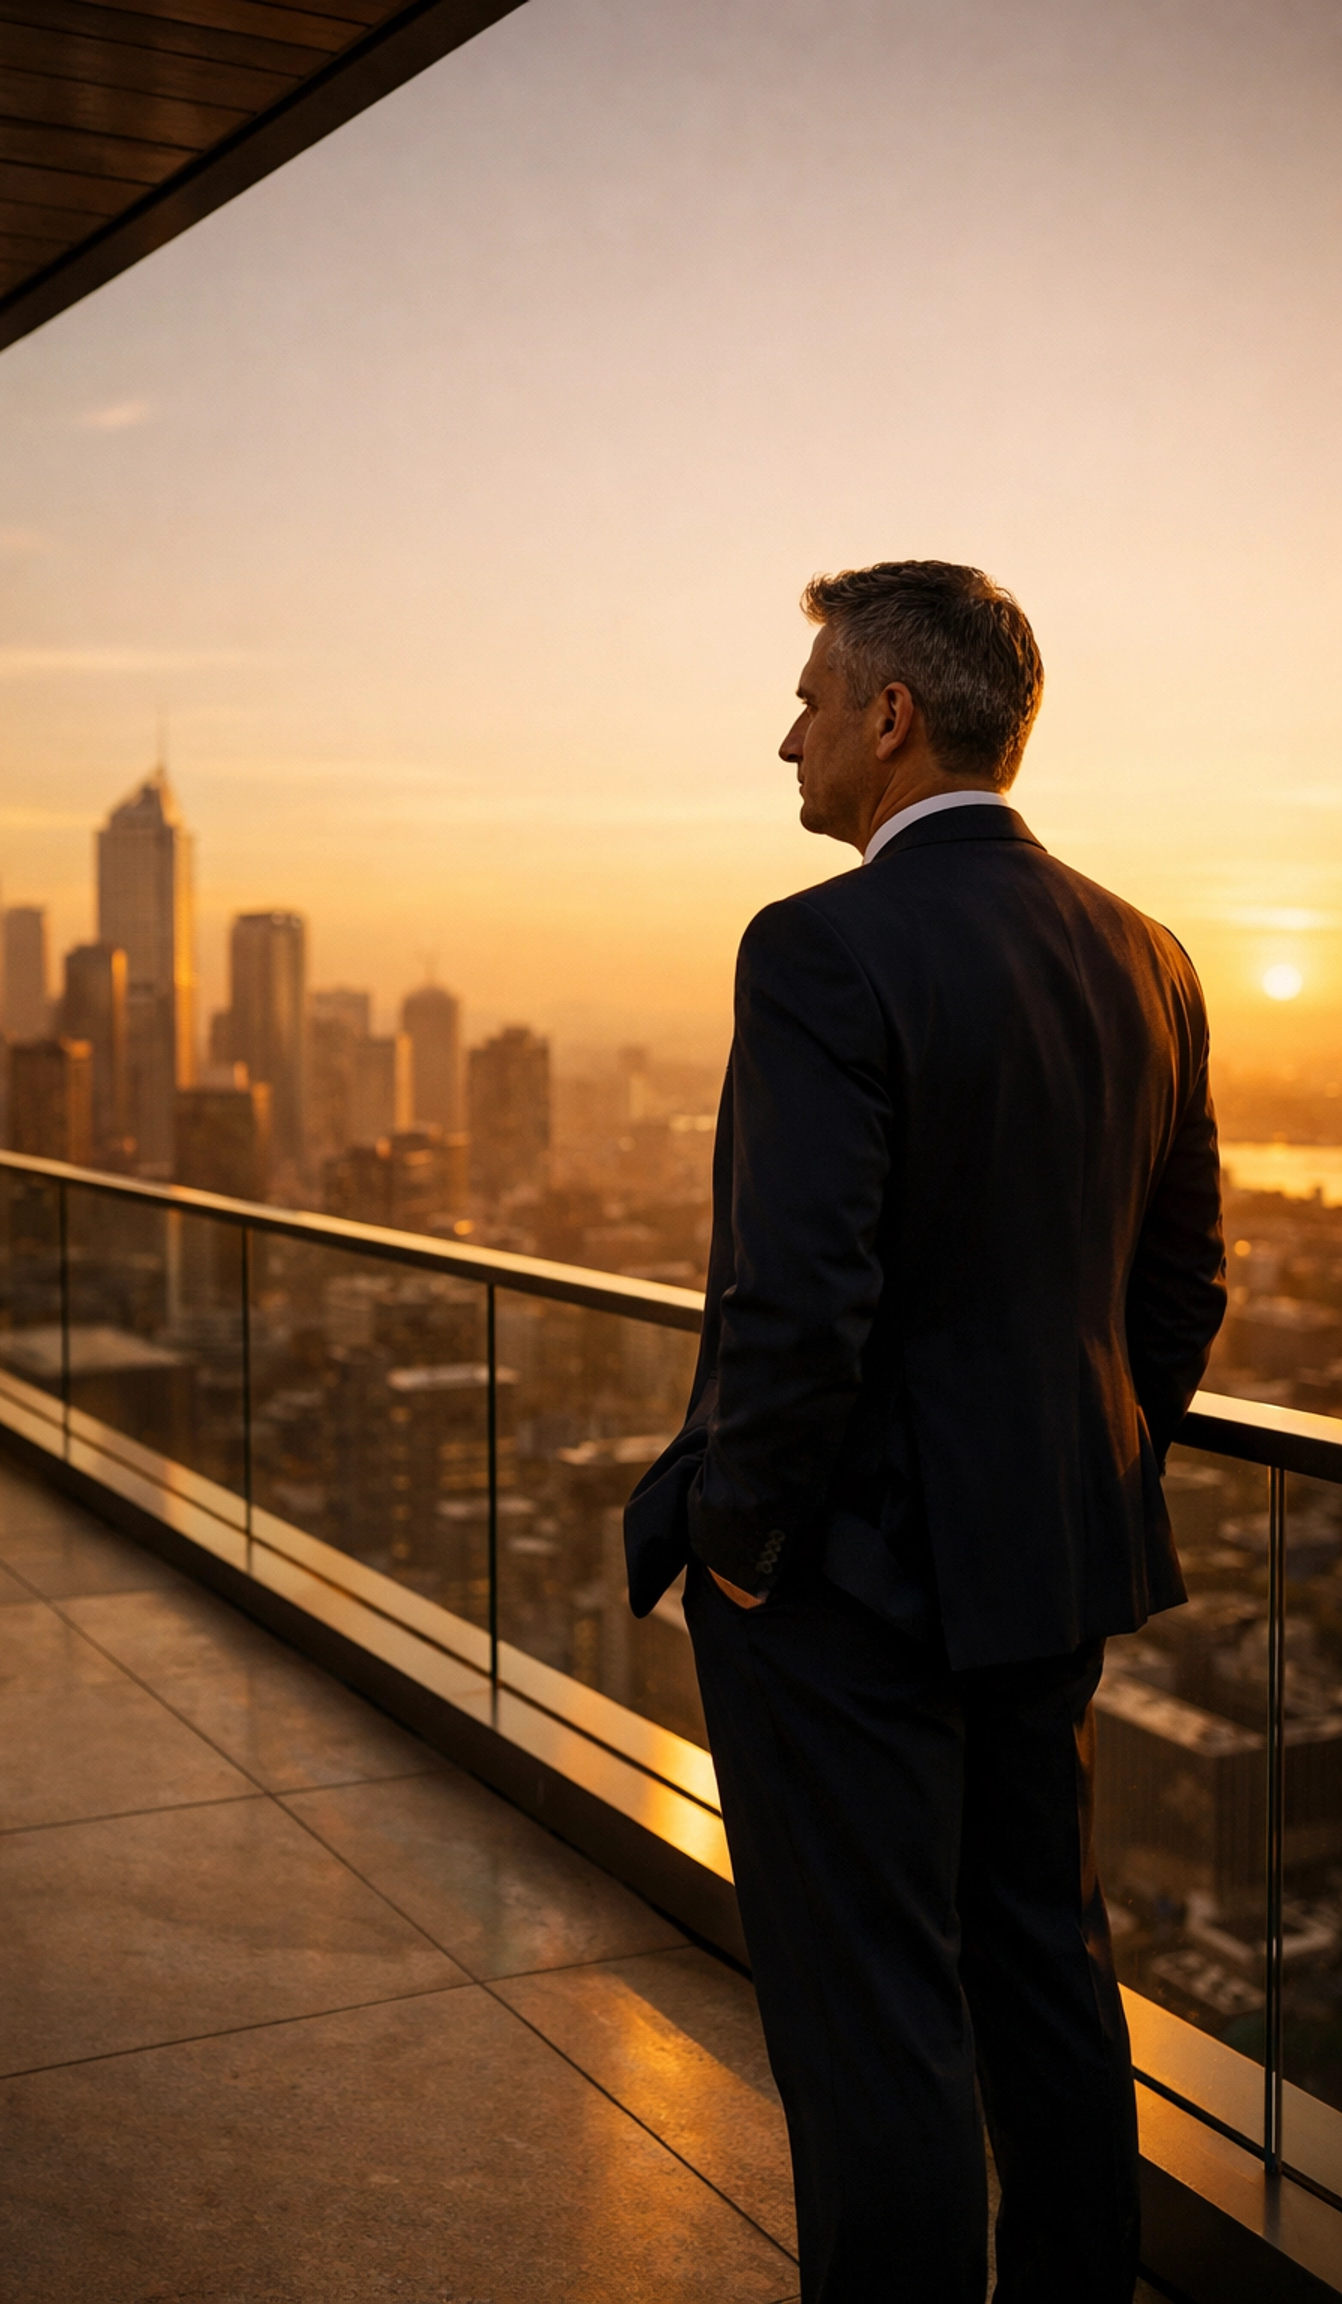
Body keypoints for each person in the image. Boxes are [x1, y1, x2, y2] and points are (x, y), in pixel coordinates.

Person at [624, 561, 1226, 2304]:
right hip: (1050, 1566)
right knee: (1045, 1977)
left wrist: (741, 1545)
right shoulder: (1151, 954)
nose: (787, 734)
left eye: (813, 697)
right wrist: (1071, 1470)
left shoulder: (818, 946)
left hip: (849, 1591)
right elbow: (1179, 1290)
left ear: (892, 719)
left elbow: (798, 1300)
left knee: (873, 2028)